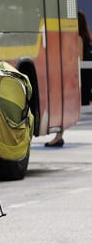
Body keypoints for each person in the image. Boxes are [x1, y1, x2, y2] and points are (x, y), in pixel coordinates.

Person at [47, 10, 92, 146]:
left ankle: (58, 137)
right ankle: (58, 136)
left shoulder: (77, 38)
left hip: (80, 80)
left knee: (66, 106)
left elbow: (78, 59)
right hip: (85, 79)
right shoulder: (86, 38)